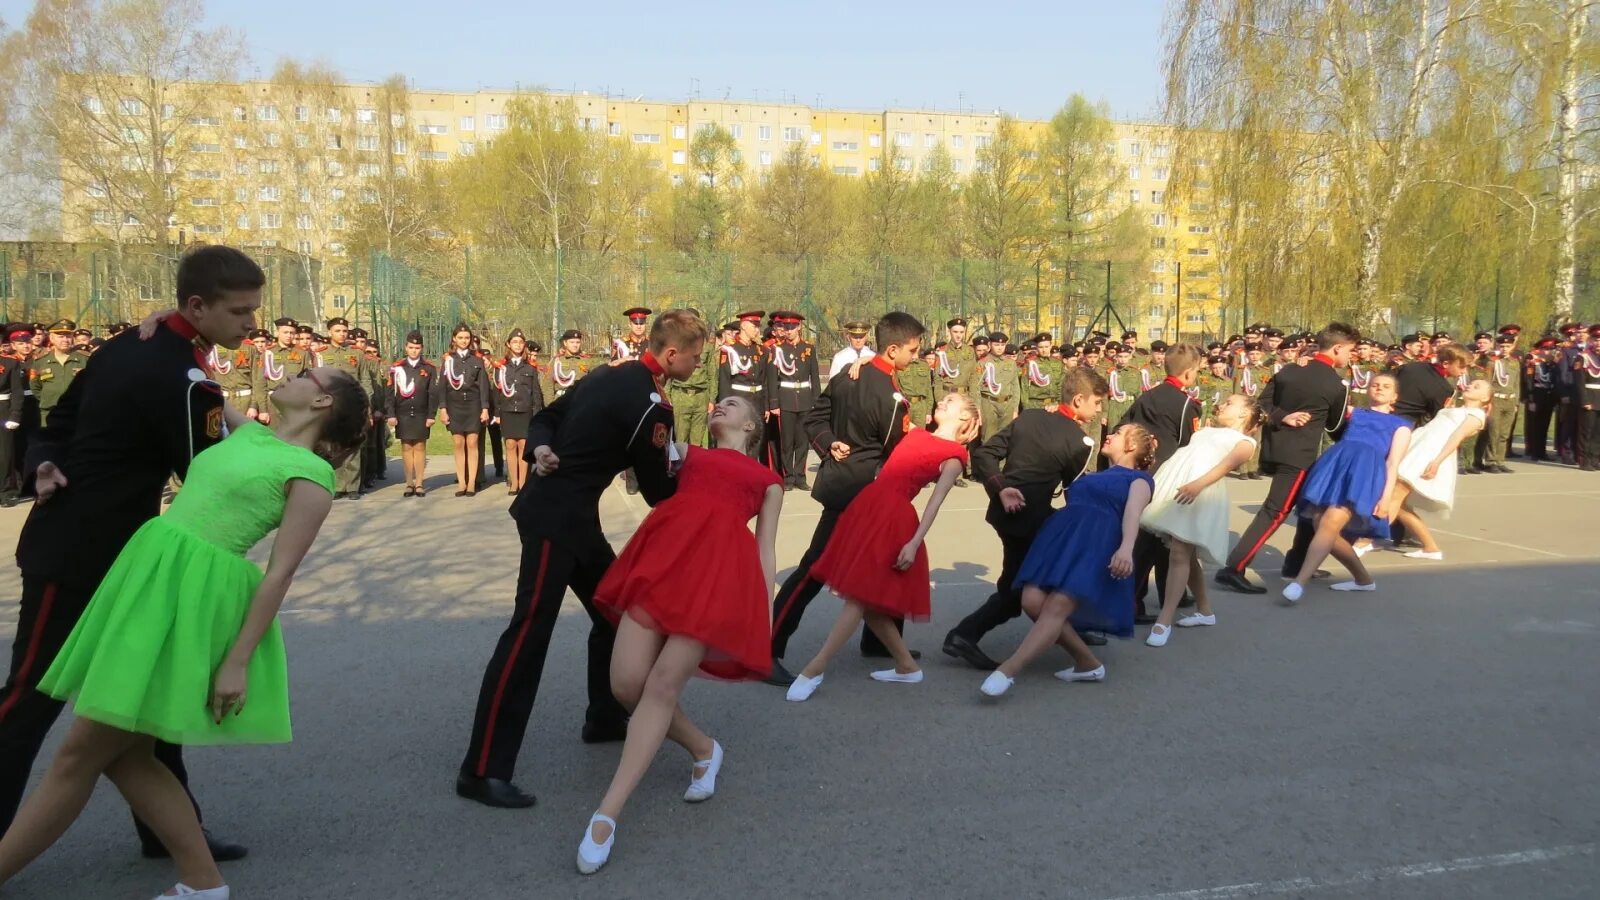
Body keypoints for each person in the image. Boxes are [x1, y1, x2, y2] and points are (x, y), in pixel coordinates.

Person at [0, 364, 368, 900]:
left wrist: (237, 660)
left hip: (191, 602)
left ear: (323, 404)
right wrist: (167, 335)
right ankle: (203, 883)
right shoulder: (255, 433)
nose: (293, 373)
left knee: (80, 755)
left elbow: (280, 573)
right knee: (125, 757)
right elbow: (202, 386)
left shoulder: (310, 476)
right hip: (154, 579)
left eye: (308, 374)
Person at [1, 247, 264, 865]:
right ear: (196, 306)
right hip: (75, 554)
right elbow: (205, 475)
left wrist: (48, 455)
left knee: (145, 700)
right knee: (27, 702)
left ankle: (173, 837)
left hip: (128, 559)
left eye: (254, 309)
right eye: (241, 311)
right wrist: (46, 459)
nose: (252, 322)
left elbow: (63, 422)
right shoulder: (179, 376)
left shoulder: (133, 345)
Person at [457, 310, 707, 810]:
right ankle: (482, 769)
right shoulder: (652, 406)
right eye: (697, 357)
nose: (700, 365)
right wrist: (704, 472)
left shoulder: (606, 374)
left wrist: (543, 447)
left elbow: (547, 418)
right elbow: (658, 491)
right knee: (528, 634)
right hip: (557, 521)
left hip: (569, 515)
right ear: (672, 354)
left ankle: (604, 717)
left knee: (615, 610)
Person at [576, 396, 782, 874]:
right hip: (661, 564)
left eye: (731, 405)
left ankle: (608, 813)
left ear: (751, 425)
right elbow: (629, 449)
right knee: (626, 684)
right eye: (717, 403)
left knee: (662, 685)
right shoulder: (686, 452)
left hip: (713, 580)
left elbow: (766, 550)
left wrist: (764, 614)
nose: (719, 406)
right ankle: (705, 748)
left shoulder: (769, 481)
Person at [785, 393, 980, 702]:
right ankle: (906, 666)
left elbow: (935, 503)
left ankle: (814, 667)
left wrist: (914, 543)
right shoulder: (915, 431)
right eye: (943, 397)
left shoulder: (954, 455)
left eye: (951, 400)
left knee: (859, 595)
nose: (942, 400)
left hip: (893, 519)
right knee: (868, 602)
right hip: (869, 507)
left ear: (966, 419)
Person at [767, 312, 925, 686]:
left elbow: (815, 418)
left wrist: (828, 442)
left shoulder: (850, 375)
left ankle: (880, 642)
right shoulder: (890, 398)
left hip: (849, 483)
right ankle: (766, 647)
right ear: (892, 348)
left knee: (886, 564)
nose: (916, 356)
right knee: (814, 570)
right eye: (913, 350)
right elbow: (896, 450)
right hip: (862, 491)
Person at [943, 367, 1105, 670]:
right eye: (1097, 403)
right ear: (1079, 399)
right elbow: (1076, 495)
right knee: (1020, 590)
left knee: (1035, 579)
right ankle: (963, 635)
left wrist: (1001, 487)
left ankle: (1070, 629)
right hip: (1031, 522)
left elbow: (984, 455)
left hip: (1008, 514)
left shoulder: (1029, 417)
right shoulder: (1079, 443)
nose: (1099, 410)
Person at [978, 424, 1157, 697]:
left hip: (1097, 546)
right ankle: (1087, 662)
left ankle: (1008, 670)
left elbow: (1133, 514)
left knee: (1057, 606)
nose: (1109, 434)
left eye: (1118, 434)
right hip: (1062, 540)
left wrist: (1126, 549)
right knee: (1032, 601)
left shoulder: (1140, 480)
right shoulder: (1097, 473)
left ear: (1131, 446)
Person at [1215, 323, 1357, 594]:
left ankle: (1296, 562)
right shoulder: (1336, 385)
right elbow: (1334, 428)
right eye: (1350, 350)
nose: (1352, 356)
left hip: (1277, 445)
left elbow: (1262, 404)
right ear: (1338, 347)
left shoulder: (1290, 370)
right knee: (1276, 510)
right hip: (1300, 456)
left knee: (1310, 507)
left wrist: (1283, 416)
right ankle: (1234, 568)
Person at [1139, 394, 1262, 647]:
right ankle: (1205, 611)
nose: (1222, 404)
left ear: (1243, 413)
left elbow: (1226, 466)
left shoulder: (1244, 441)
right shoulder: (1208, 430)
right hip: (1178, 488)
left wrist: (1198, 485)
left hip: (1200, 494)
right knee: (1185, 552)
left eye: (1230, 403)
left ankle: (1165, 619)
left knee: (1179, 553)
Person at [1282, 374, 1410, 602]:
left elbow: (1393, 463)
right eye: (1374, 385)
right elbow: (1325, 405)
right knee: (1321, 523)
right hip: (1337, 466)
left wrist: (1387, 496)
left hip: (1364, 473)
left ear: (1395, 396)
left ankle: (1299, 582)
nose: (1379, 388)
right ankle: (1363, 579)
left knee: (1330, 523)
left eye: (1386, 386)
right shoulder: (1354, 413)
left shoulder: (1401, 425)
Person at [1120, 343, 1203, 619]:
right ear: (1189, 374)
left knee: (1164, 540)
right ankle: (1132, 601)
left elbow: (1124, 426)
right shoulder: (1185, 405)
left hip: (1140, 473)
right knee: (1153, 542)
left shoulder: (1147, 396)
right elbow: (1187, 445)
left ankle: (1173, 594)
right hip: (1167, 478)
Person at [1386, 380, 1491, 559]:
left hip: (1430, 453)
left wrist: (1437, 462)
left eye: (1477, 387)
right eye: (1471, 383)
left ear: (1485, 398)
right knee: (1400, 505)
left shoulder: (1476, 414)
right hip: (1418, 446)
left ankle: (1366, 539)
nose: (1470, 386)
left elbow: (1456, 437)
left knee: (1395, 493)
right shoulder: (1456, 408)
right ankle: (1431, 548)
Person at [315, 317, 379, 500]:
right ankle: (337, 485)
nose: (342, 334)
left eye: (344, 331)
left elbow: (365, 380)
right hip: (330, 405)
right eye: (338, 331)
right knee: (332, 445)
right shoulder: (321, 353)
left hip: (352, 405)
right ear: (329, 333)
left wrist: (367, 405)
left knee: (353, 445)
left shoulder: (357, 354)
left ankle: (352, 486)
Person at [764, 311, 820, 490]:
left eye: (792, 327)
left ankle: (800, 476)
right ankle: (788, 477)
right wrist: (774, 403)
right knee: (786, 441)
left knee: (802, 441)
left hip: (804, 398)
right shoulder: (777, 349)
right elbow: (772, 379)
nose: (788, 330)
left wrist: (816, 402)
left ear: (799, 327)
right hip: (785, 398)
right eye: (786, 327)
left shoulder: (809, 349)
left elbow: (815, 378)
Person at [490, 329, 546, 497]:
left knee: (523, 445)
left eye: (521, 343)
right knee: (510, 445)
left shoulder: (530, 367)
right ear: (508, 344)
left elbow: (536, 392)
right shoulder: (501, 367)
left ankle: (523, 482)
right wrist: (497, 413)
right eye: (514, 342)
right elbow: (497, 392)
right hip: (507, 410)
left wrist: (537, 412)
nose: (518, 345)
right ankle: (513, 482)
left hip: (525, 410)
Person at [385, 331, 441, 498]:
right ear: (406, 347)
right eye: (411, 347)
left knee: (420, 447)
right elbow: (390, 393)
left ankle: (420, 483)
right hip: (402, 413)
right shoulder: (397, 368)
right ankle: (409, 483)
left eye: (417, 348)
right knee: (406, 447)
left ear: (422, 348)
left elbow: (433, 393)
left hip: (421, 413)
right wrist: (391, 414)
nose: (414, 350)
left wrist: (432, 415)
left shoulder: (429, 368)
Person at [439, 324, 490, 496]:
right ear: (454, 339)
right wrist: (443, 409)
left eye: (467, 338)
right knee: (458, 444)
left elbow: (484, 386)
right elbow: (443, 387)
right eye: (460, 337)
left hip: (473, 406)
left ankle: (471, 483)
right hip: (454, 406)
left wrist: (485, 408)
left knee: (472, 443)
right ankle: (461, 482)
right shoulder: (448, 360)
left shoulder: (477, 360)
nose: (464, 341)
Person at [30, 321, 87, 427]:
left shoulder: (84, 359)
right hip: (50, 412)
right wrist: (48, 399)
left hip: (78, 412)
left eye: (68, 336)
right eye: (61, 336)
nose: (65, 340)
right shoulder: (40, 361)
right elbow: (35, 386)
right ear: (51, 338)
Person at [976, 333, 1020, 443]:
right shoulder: (982, 363)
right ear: (990, 345)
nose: (1000, 347)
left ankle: (1003, 461)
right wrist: (977, 409)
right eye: (997, 344)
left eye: (1002, 344)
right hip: (989, 404)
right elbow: (976, 388)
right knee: (988, 439)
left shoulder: (1011, 363)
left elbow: (1015, 387)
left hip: (1007, 404)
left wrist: (1015, 409)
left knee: (1005, 439)